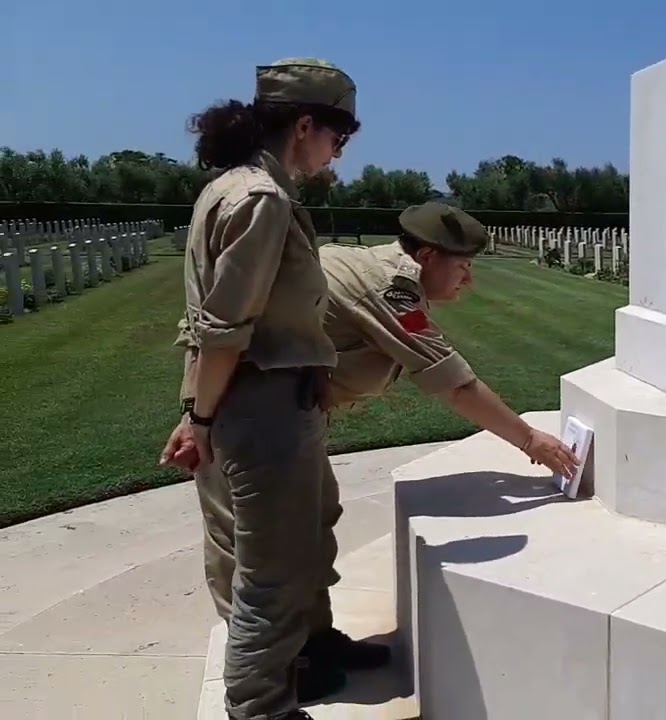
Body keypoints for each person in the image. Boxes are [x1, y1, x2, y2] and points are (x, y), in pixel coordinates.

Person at [161, 203, 579, 706]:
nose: (469, 279)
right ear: (425, 255)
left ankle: (314, 644)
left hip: (288, 413)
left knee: (313, 525)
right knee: (256, 555)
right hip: (245, 416)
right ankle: (271, 679)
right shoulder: (389, 287)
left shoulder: (382, 270)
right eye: (462, 266)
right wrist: (531, 440)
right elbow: (455, 384)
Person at [176, 57, 361, 720]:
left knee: (274, 551)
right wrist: (198, 419)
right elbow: (224, 329)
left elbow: (203, 325)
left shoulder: (232, 188)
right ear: (304, 125)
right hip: (262, 411)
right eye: (339, 139)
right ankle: (260, 709)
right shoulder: (261, 199)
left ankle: (301, 662)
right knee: (271, 576)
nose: (337, 155)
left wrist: (195, 409)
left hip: (250, 402)